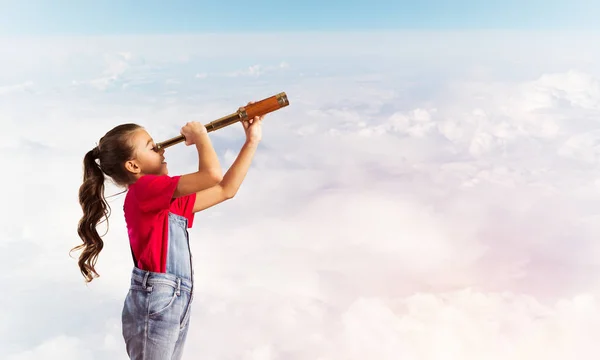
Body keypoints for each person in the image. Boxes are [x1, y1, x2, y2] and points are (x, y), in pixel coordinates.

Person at [72, 105, 264, 359]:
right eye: (152, 147)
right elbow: (212, 176)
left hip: (173, 302)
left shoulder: (165, 201)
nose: (162, 150)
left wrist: (251, 141)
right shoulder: (143, 190)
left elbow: (226, 190)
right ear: (133, 166)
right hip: (157, 302)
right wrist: (201, 136)